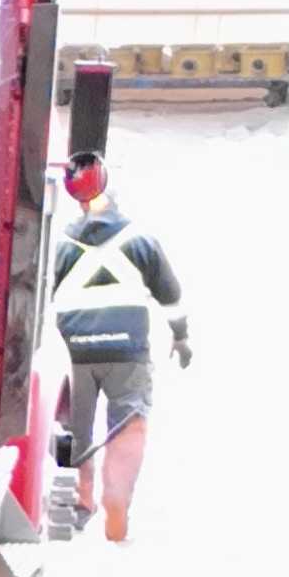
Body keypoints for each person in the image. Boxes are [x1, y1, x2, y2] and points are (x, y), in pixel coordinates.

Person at [48, 189, 190, 543]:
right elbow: (171, 296)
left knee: (76, 424)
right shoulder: (140, 241)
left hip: (75, 350)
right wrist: (181, 337)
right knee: (129, 423)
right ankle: (117, 501)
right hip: (127, 350)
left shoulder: (62, 246)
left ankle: (81, 496)